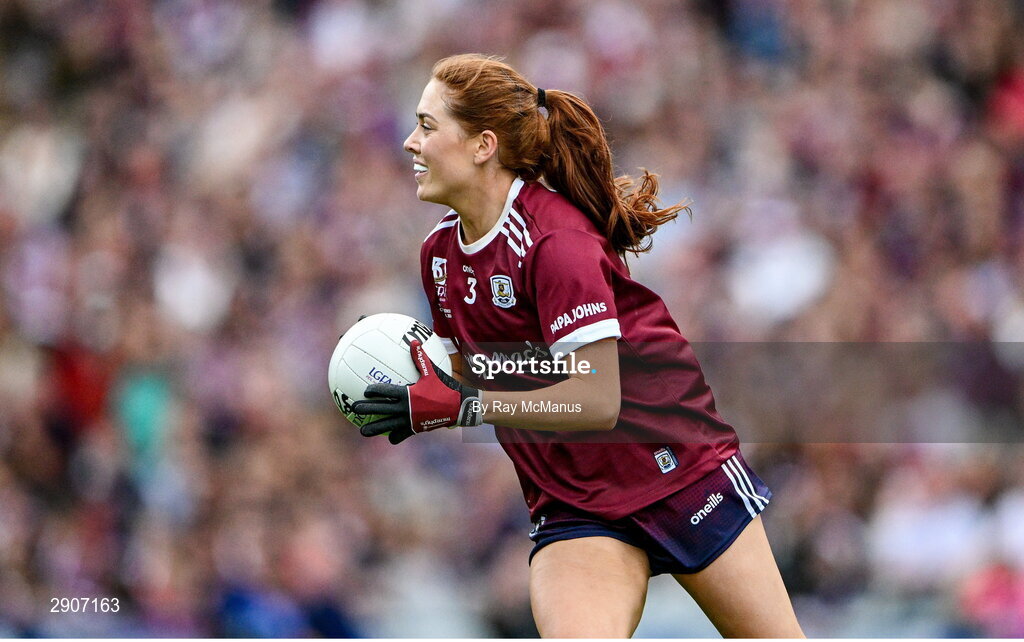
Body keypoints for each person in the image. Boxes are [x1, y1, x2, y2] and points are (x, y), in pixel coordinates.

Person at [351, 53, 804, 638]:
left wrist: (466, 403)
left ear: (483, 144)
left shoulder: (554, 240)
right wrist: (413, 376)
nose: (411, 142)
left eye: (428, 126)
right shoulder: (437, 256)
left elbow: (595, 398)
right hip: (575, 504)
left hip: (676, 467)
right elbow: (484, 370)